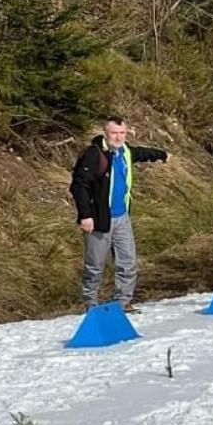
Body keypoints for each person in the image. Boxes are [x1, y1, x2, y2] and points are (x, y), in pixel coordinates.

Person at [69, 116, 168, 314]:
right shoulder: (94, 154)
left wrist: (162, 155)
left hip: (122, 217)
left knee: (128, 262)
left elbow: (141, 153)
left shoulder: (126, 152)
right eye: (114, 133)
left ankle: (123, 302)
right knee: (95, 266)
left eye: (122, 133)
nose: (118, 137)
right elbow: (79, 185)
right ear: (106, 132)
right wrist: (85, 215)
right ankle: (90, 305)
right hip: (98, 219)